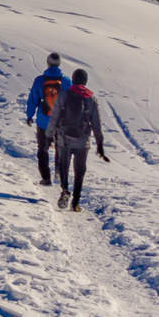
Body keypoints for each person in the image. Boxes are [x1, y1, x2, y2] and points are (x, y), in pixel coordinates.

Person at [53, 68, 108, 211]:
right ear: (85, 82)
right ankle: (75, 203)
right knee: (80, 171)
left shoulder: (64, 95)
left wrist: (48, 134)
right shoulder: (91, 99)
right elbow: (96, 125)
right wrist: (100, 144)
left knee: (63, 166)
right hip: (83, 142)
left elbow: (54, 117)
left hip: (64, 138)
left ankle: (65, 190)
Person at [22, 52, 68, 186]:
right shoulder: (66, 81)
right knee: (60, 147)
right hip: (60, 121)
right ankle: (59, 174)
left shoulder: (39, 80)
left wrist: (29, 115)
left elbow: (33, 99)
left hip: (43, 121)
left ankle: (46, 178)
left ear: (48, 63)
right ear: (59, 64)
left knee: (42, 148)